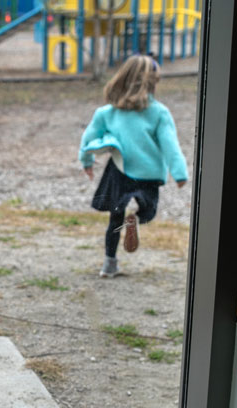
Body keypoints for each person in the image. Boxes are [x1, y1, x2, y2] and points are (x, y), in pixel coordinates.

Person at [78, 54, 188, 278]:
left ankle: (109, 265)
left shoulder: (107, 113)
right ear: (152, 83)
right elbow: (170, 145)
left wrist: (86, 161)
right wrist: (179, 173)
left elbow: (88, 140)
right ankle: (136, 220)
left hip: (119, 171)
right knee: (149, 210)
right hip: (148, 173)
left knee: (115, 217)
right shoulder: (159, 113)